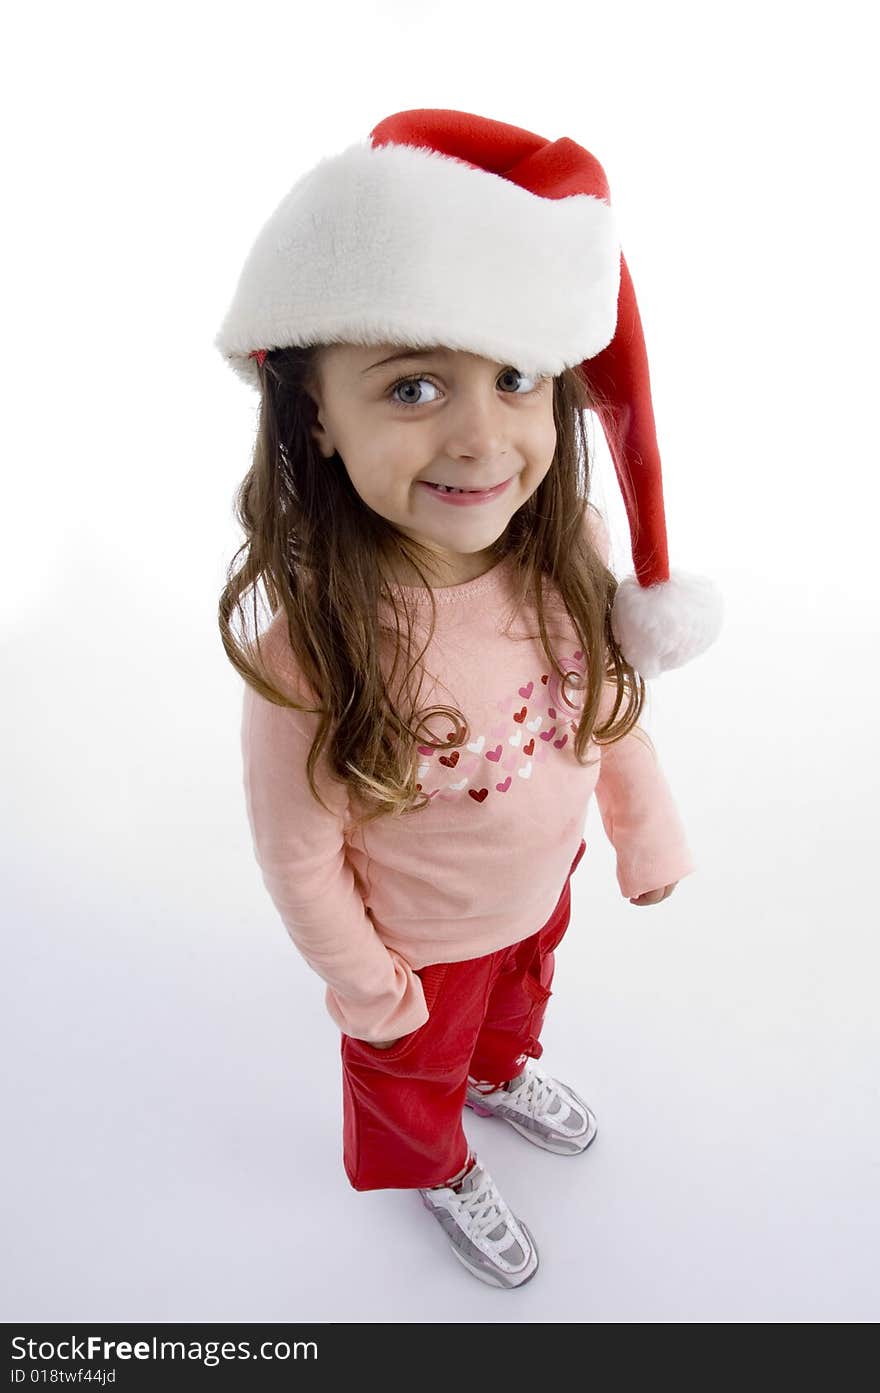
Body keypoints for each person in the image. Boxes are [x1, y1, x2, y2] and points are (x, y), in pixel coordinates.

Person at [214, 108, 723, 1290]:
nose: (482, 435)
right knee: (412, 1074)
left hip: (538, 898)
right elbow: (298, 856)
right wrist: (368, 987)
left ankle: (498, 1073)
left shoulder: (570, 551)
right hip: (416, 955)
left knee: (512, 1009)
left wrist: (646, 836)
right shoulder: (315, 652)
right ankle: (436, 1159)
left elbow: (610, 708)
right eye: (410, 388)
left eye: (512, 376)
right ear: (314, 419)